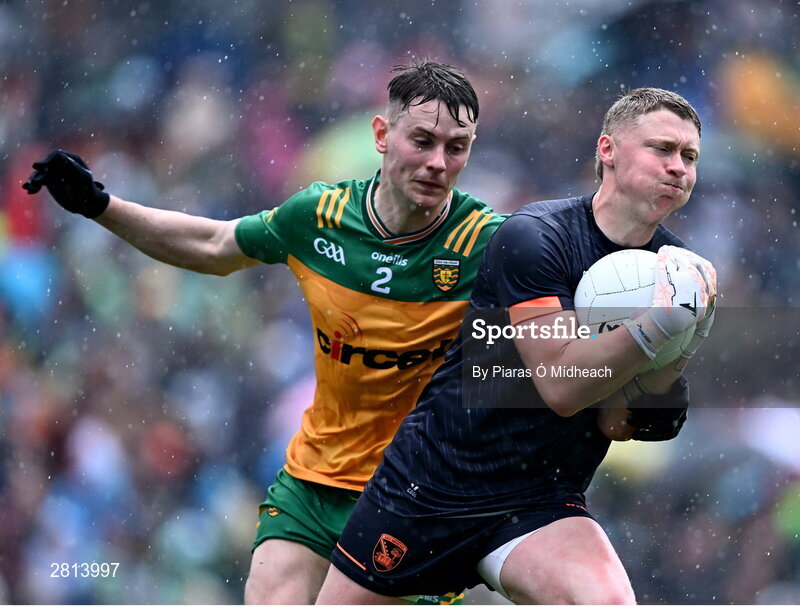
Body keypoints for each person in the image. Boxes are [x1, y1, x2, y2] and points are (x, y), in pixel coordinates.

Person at [23, 61, 502, 605]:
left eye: (457, 147)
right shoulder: (319, 214)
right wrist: (100, 206)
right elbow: (213, 245)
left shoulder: (489, 242)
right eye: (423, 140)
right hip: (314, 482)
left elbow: (569, 310)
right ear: (381, 135)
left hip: (414, 498)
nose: (439, 163)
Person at [315, 87, 718, 604]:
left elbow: (615, 421)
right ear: (607, 150)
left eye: (689, 157)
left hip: (540, 499)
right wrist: (660, 326)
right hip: (433, 488)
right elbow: (561, 385)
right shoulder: (533, 236)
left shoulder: (679, 267)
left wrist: (680, 351)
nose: (678, 167)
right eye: (662, 149)